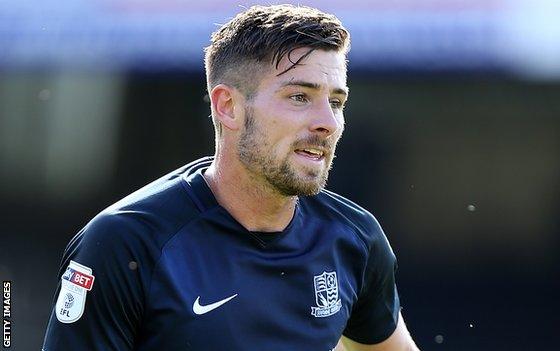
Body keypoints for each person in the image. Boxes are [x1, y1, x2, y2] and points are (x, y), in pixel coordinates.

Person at [42, 4, 419, 351]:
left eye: (336, 102)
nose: (326, 123)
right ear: (228, 107)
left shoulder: (353, 239)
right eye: (300, 97)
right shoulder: (126, 243)